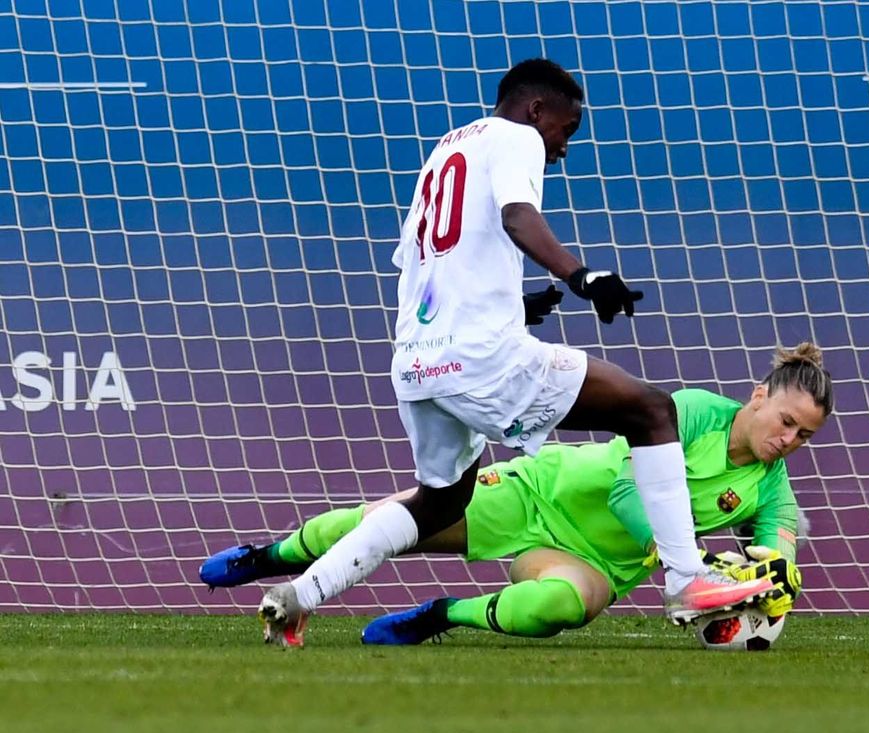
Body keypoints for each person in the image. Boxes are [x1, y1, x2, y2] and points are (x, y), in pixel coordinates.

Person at [254, 58, 775, 644]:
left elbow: (422, 266)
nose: (562, 148)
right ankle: (687, 579)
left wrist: (510, 306)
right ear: (536, 110)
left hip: (418, 359)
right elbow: (517, 216)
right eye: (566, 130)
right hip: (480, 358)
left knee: (440, 504)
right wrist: (582, 276)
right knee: (652, 411)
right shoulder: (517, 137)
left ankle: (302, 593)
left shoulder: (445, 151)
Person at [203, 344, 833, 646]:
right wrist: (691, 566)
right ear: (758, 395)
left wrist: (768, 587)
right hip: (537, 494)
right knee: (388, 521)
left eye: (804, 434)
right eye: (785, 420)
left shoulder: (772, 490)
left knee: (557, 609)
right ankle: (270, 557)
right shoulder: (693, 413)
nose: (789, 438)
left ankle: (439, 616)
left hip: (595, 564)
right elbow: (625, 491)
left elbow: (778, 553)